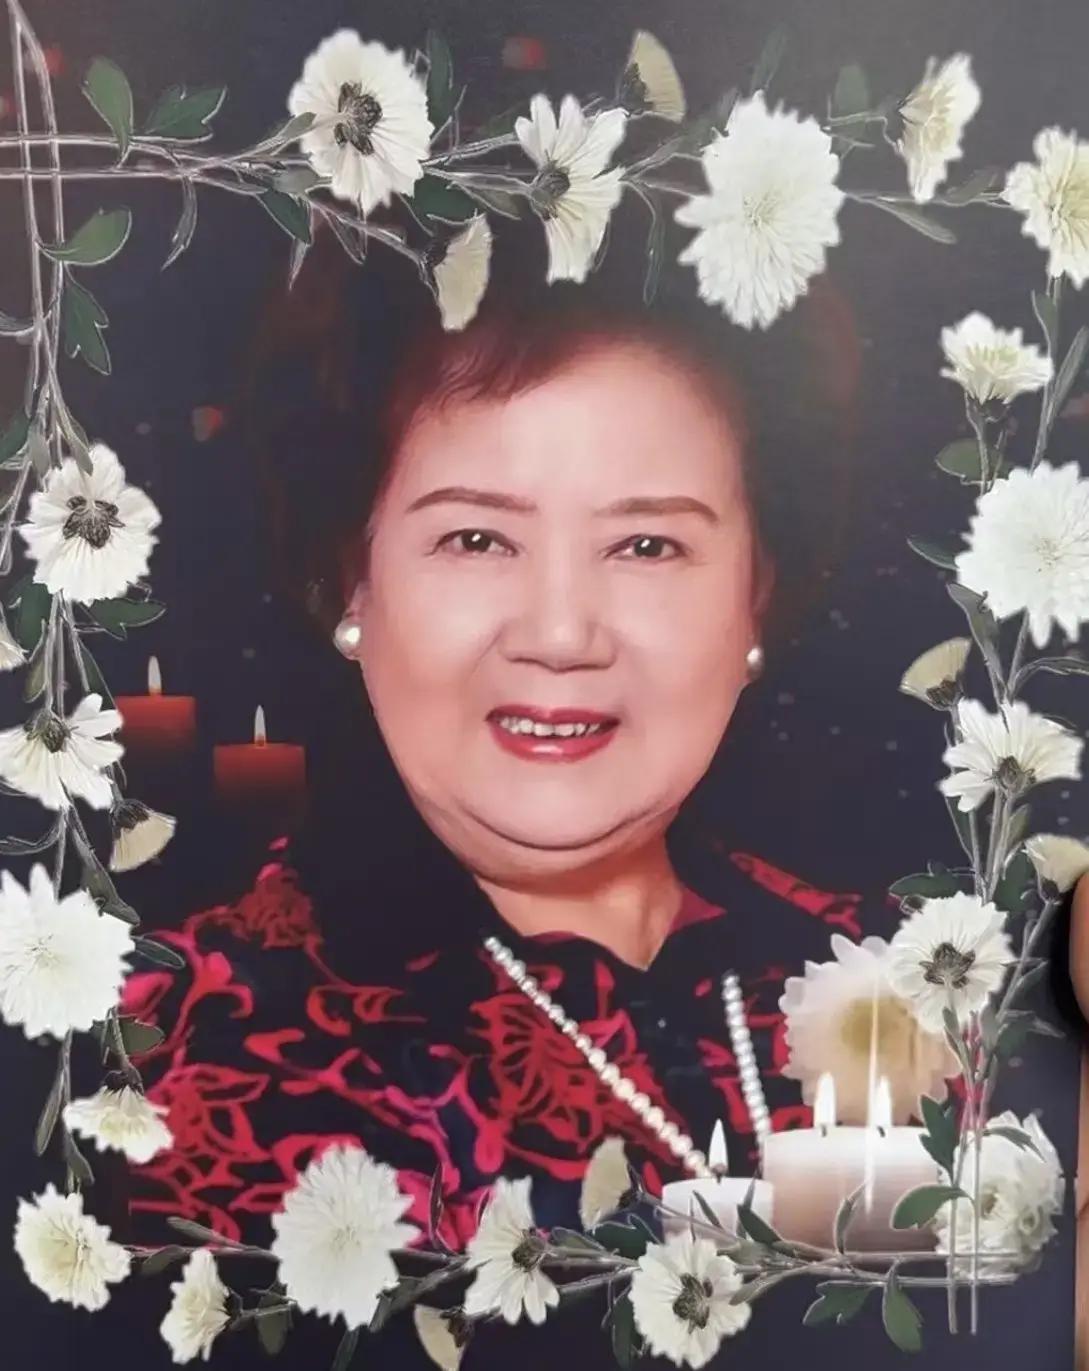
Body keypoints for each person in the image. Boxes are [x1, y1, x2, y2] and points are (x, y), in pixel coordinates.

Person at [115, 229, 889, 1358]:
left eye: (647, 546)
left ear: (756, 595)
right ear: (352, 579)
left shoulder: (915, 981)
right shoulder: (170, 1056)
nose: (561, 634)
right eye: (476, 538)